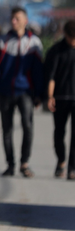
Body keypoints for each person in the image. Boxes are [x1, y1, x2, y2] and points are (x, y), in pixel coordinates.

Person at [0, 7, 45, 178]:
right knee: (7, 130)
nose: (14, 21)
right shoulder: (2, 41)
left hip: (25, 92)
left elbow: (38, 71)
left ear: (25, 21)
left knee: (27, 126)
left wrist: (39, 94)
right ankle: (10, 164)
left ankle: (24, 163)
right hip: (5, 92)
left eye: (17, 18)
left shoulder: (34, 43)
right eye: (12, 18)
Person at [45, 19, 75, 179]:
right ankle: (61, 160)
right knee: (59, 133)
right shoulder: (56, 51)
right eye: (72, 39)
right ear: (65, 35)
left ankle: (72, 168)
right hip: (60, 98)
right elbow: (51, 77)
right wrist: (50, 97)